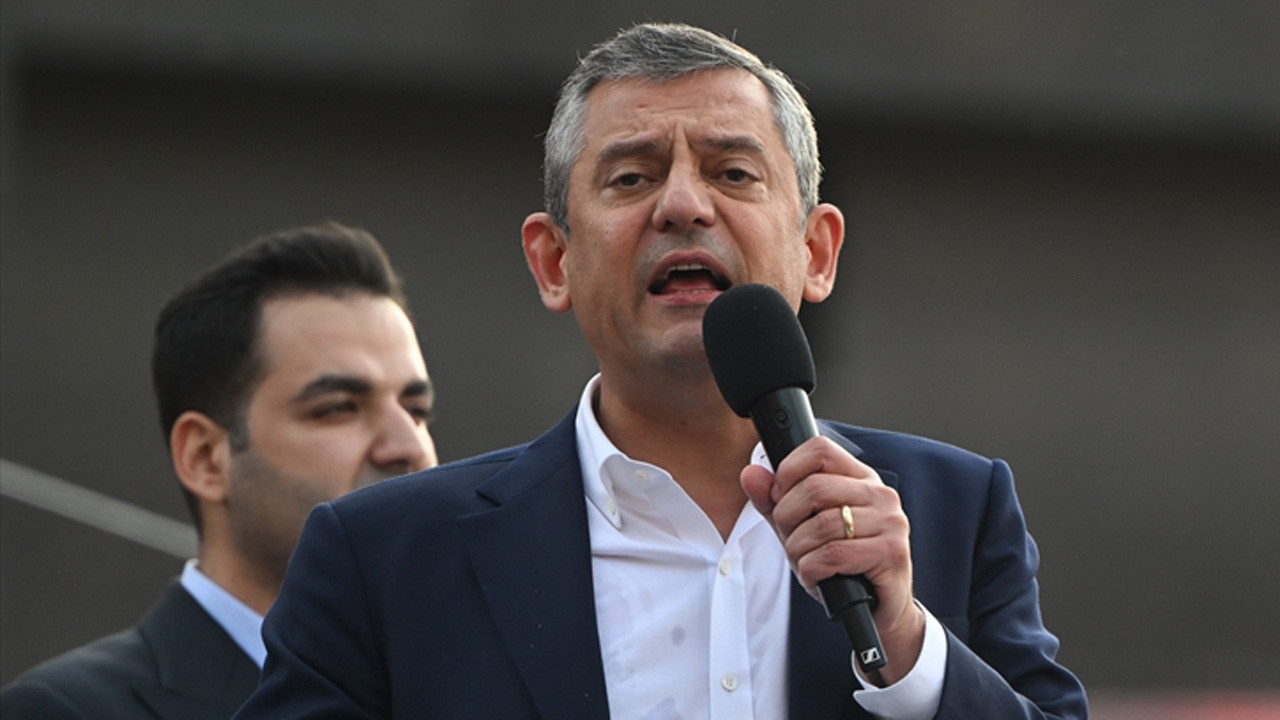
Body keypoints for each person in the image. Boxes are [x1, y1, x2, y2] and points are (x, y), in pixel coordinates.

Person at [235, 23, 1087, 719]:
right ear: (554, 262)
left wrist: (906, 643)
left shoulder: (955, 513)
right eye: (632, 176)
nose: (682, 205)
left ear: (818, 252)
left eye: (733, 172)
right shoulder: (383, 558)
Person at [0, 222, 439, 719]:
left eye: (416, 411)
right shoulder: (66, 711)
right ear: (205, 457)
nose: (409, 447)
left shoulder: (468, 688)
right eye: (338, 408)